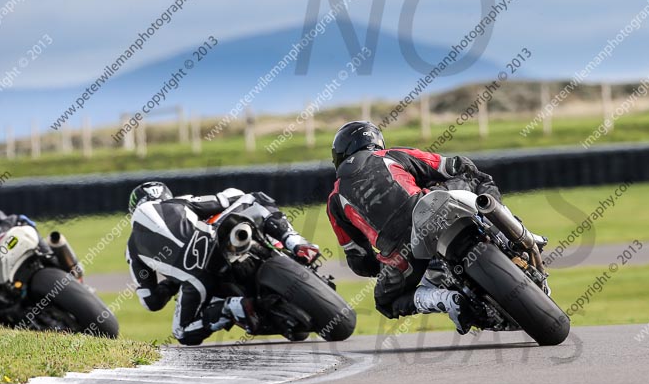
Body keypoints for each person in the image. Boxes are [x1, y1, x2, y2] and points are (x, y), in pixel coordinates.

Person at [326, 121, 502, 335]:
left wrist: (381, 267)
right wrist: (445, 183)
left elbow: (359, 259)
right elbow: (453, 166)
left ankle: (445, 300)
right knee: (478, 178)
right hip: (431, 206)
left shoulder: (335, 199)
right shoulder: (391, 155)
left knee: (386, 302)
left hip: (399, 252)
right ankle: (511, 233)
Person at [126, 182, 320, 346]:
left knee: (182, 332)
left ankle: (229, 308)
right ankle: (294, 242)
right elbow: (227, 198)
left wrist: (172, 281)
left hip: (197, 281)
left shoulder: (132, 247)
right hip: (215, 244)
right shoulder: (179, 202)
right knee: (255, 197)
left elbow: (151, 301)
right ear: (166, 195)